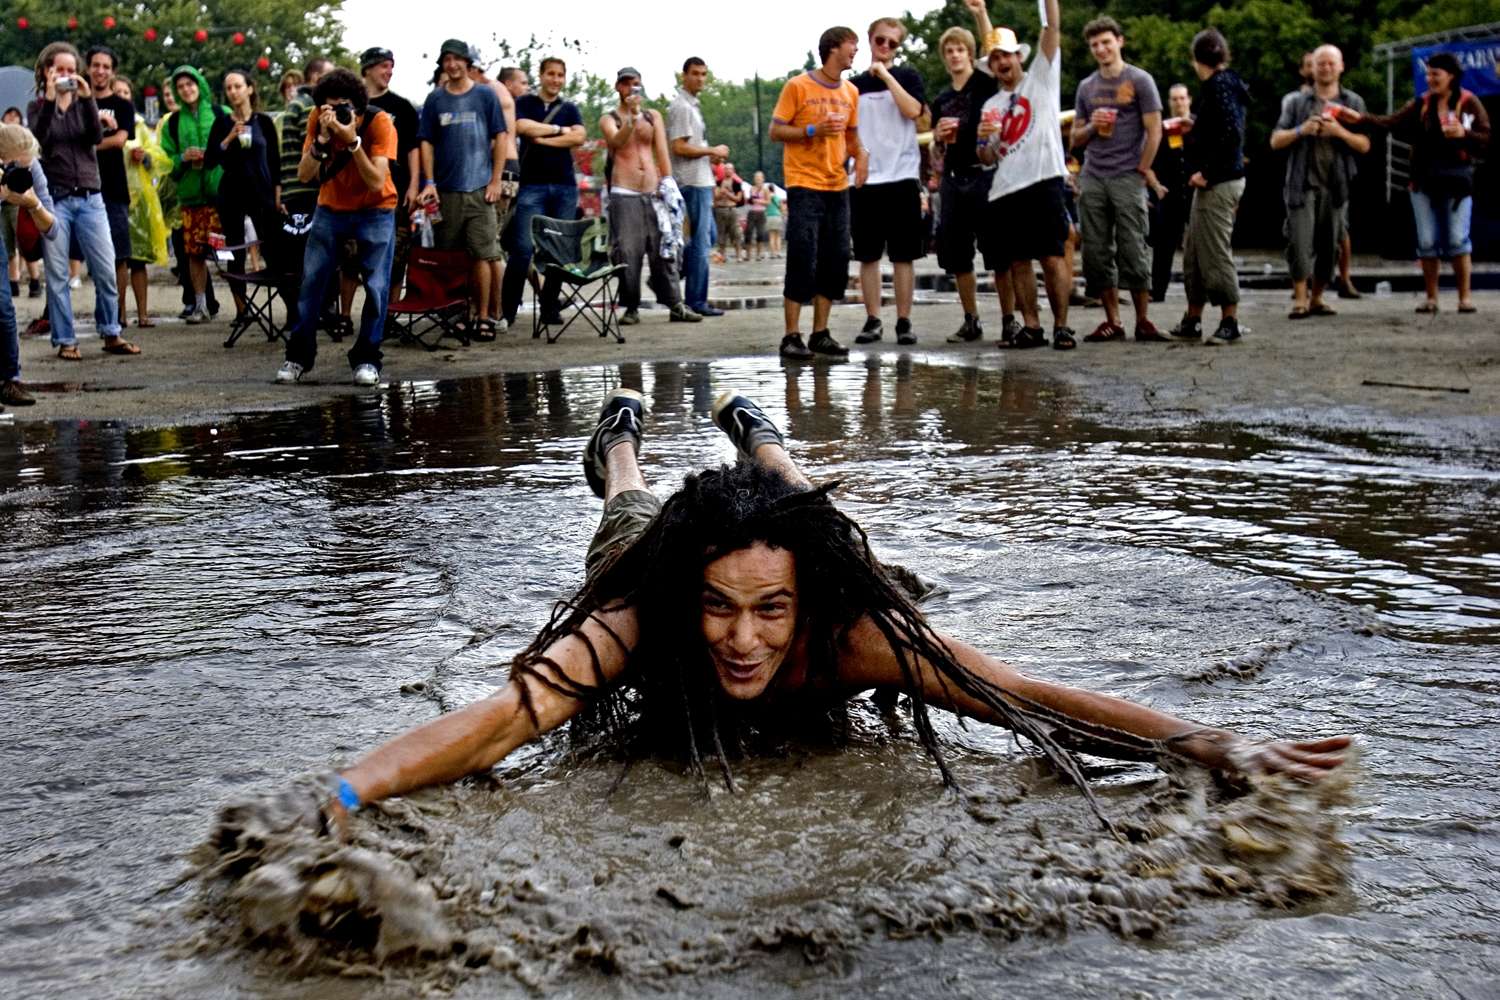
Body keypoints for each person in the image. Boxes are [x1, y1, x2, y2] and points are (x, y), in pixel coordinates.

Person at [308, 386, 1353, 840]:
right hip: (650, 545)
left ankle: (761, 435)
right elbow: (503, 719)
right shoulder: (645, 613)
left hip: (809, 545)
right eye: (721, 610)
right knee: (627, 504)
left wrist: (1210, 743)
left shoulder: (852, 628)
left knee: (825, 519)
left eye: (769, 611)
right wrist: (345, 797)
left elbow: (1018, 695)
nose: (744, 637)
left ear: (804, 610)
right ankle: (619, 431)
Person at [274, 69, 398, 388]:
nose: (337, 113)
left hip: (376, 208)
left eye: (344, 106)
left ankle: (368, 359)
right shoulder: (318, 118)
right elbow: (303, 175)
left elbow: (375, 181)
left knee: (377, 286)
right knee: (312, 281)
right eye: (329, 106)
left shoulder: (379, 122)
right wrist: (321, 140)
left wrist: (353, 141)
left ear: (358, 105)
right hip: (331, 207)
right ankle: (298, 356)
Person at [975, 0, 1076, 350]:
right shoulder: (990, 106)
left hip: (1044, 177)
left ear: (1019, 56)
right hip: (1005, 188)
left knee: (1051, 255)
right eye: (995, 58)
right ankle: (1031, 327)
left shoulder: (1042, 77)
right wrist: (988, 137)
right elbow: (986, 157)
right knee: (1018, 261)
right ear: (991, 66)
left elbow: (1051, 29)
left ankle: (1061, 325)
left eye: (1007, 55)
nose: (1002, 62)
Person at [27, 42, 138, 359]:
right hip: (55, 198)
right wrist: (51, 100)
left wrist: (87, 96)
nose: (65, 75)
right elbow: (40, 142)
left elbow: (93, 137)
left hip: (91, 196)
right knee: (58, 275)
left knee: (105, 268)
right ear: (47, 71)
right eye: (58, 69)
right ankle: (65, 339)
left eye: (70, 70)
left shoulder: (84, 104)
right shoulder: (37, 107)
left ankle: (111, 332)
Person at [1357, 51, 1490, 314]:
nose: (1430, 79)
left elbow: (1485, 138)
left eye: (1435, 74)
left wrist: (1464, 134)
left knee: (1458, 240)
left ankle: (1464, 298)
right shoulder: (1421, 104)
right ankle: (1432, 298)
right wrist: (1359, 118)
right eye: (1427, 73)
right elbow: (1390, 123)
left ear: (1451, 76)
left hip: (1457, 180)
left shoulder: (1469, 102)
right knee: (1427, 241)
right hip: (1423, 181)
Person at [769, 26, 869, 361]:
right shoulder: (798, 86)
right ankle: (790, 336)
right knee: (802, 256)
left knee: (836, 258)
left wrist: (862, 154)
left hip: (836, 184)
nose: (857, 50)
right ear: (833, 48)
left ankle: (820, 334)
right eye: (852, 44)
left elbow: (851, 137)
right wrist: (812, 129)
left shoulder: (851, 91)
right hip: (803, 183)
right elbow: (776, 130)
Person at [1071, 16, 1165, 343]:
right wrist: (1091, 127)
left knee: (1134, 247)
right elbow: (1074, 139)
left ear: (1119, 42)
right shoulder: (1087, 87)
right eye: (1095, 44)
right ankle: (1113, 320)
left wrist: (1143, 169)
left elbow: (1156, 131)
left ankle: (1143, 320)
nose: (1101, 49)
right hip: (1094, 175)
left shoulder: (1140, 80)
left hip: (1127, 173)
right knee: (1096, 252)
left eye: (1106, 42)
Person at [930, 0, 1018, 346]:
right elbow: (937, 155)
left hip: (985, 172)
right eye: (949, 51)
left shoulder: (983, 83)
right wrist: (937, 140)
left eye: (961, 49)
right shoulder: (940, 100)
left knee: (997, 253)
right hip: (953, 177)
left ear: (970, 54)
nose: (955, 55)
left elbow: (992, 46)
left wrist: (981, 14)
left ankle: (1009, 319)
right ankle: (971, 320)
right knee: (958, 254)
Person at [417, 39, 508, 340]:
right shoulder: (435, 100)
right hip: (445, 190)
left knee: (482, 255)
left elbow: (501, 136)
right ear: (442, 63)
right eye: (447, 59)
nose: (453, 64)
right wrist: (429, 182)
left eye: (458, 59)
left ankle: (483, 317)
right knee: (452, 258)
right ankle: (457, 315)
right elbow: (426, 141)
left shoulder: (485, 95)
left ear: (468, 63)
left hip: (481, 188)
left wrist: (495, 180)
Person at [1270, 45, 1369, 319]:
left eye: (1330, 64)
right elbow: (1275, 140)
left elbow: (1364, 145)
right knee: (1299, 243)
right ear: (1311, 68)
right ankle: (1300, 300)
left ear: (1341, 67)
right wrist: (1301, 130)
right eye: (1320, 64)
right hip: (1301, 183)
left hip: (1336, 184)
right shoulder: (1296, 103)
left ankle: (1317, 298)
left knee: (1329, 246)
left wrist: (1340, 132)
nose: (1325, 68)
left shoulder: (1353, 102)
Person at [1166, 30, 1249, 344]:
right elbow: (1224, 127)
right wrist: (1197, 125)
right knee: (1195, 253)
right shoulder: (1228, 84)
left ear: (1196, 59)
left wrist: (1208, 172)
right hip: (1221, 179)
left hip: (1221, 180)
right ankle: (1193, 318)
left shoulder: (1218, 86)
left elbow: (1230, 133)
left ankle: (1230, 322)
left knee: (1213, 252)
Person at [599, 67, 700, 326]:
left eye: (635, 84)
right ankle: (631, 306)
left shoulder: (653, 116)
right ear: (617, 87)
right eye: (625, 84)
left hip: (654, 192)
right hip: (624, 191)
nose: (631, 88)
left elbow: (662, 154)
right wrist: (631, 118)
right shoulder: (609, 118)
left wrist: (670, 188)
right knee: (628, 252)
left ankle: (675, 303)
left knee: (665, 248)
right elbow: (617, 143)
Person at [849, 17, 927, 347]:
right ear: (870, 40)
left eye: (892, 43)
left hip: (902, 174)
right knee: (867, 254)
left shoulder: (907, 76)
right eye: (880, 41)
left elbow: (913, 111)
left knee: (903, 255)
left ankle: (904, 320)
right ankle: (873, 318)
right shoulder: (852, 84)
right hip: (865, 177)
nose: (885, 48)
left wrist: (886, 76)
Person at [501, 58, 586, 328]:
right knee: (522, 250)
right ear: (541, 75)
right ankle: (508, 312)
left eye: (561, 75)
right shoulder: (525, 102)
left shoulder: (570, 108)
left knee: (557, 252)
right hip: (531, 186)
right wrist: (559, 131)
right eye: (551, 74)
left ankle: (550, 306)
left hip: (564, 186)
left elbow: (579, 137)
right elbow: (522, 126)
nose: (556, 80)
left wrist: (542, 138)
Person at [204, 68, 279, 323]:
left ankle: (291, 309)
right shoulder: (222, 123)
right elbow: (210, 160)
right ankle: (241, 310)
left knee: (273, 250)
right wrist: (228, 138)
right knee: (235, 252)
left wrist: (278, 195)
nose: (233, 92)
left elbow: (274, 162)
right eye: (228, 88)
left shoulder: (263, 122)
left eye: (238, 86)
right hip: (232, 194)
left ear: (249, 89)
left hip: (262, 193)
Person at [356, 48, 422, 330]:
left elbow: (413, 148)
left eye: (391, 66)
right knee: (350, 257)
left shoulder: (402, 106)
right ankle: (347, 316)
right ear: (368, 69)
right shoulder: (353, 105)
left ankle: (390, 316)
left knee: (397, 256)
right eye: (383, 66)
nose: (388, 71)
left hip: (395, 189)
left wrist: (416, 185)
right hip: (356, 190)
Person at [160, 65, 228, 326]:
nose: (186, 89)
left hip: (221, 195)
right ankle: (200, 305)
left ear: (200, 84)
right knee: (195, 253)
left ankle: (242, 308)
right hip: (190, 198)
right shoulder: (173, 123)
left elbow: (236, 148)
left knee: (230, 253)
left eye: (190, 84)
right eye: (180, 86)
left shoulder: (221, 114)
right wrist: (181, 158)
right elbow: (164, 162)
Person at [84, 47, 145, 332]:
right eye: (95, 65)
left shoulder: (122, 105)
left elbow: (120, 140)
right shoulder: (77, 103)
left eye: (106, 66)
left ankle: (117, 315)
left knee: (119, 255)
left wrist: (83, 145)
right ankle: (102, 314)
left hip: (113, 188)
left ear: (112, 71)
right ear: (87, 69)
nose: (100, 71)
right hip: (79, 187)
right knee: (85, 261)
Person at [667, 57, 730, 317]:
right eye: (695, 74)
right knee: (703, 243)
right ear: (684, 76)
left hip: (702, 178)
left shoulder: (693, 106)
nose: (700, 79)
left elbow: (688, 146)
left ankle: (668, 279)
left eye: (704, 74)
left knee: (708, 238)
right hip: (692, 180)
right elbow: (678, 146)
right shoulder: (681, 107)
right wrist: (709, 150)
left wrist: (709, 155)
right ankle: (696, 300)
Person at [0, 122, 56, 408]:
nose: (20, 171)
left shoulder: (30, 166)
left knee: (5, 310)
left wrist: (32, 203)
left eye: (25, 165)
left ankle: (10, 380)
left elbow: (53, 229)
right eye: (12, 165)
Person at [468, 53, 521, 332]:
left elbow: (493, 137)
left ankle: (495, 312)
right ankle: (486, 309)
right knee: (489, 244)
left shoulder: (489, 90)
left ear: (474, 70)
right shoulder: (497, 89)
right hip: (505, 170)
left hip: (501, 172)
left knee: (490, 246)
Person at [1150, 83, 1192, 303]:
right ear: (1170, 103)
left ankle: (1200, 292)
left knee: (1201, 245)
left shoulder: (1199, 125)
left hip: (1195, 192)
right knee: (1164, 245)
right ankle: (1157, 292)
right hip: (1170, 193)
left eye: (1182, 98)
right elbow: (1150, 161)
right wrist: (1155, 186)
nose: (1179, 103)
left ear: (1189, 100)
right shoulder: (1163, 128)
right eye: (1174, 99)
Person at [2, 107, 43, 300]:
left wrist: (32, 201)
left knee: (26, 243)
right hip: (4, 203)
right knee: (9, 247)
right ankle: (13, 283)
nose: (12, 118)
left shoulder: (27, 150)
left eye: (16, 116)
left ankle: (35, 280)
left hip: (19, 203)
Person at [713, 169, 742, 262]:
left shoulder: (736, 184)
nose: (728, 171)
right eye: (726, 169)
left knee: (735, 233)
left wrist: (728, 193)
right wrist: (722, 191)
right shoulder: (719, 183)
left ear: (733, 170)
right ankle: (722, 255)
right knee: (721, 233)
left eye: (730, 169)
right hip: (720, 209)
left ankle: (739, 255)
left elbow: (738, 199)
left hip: (732, 209)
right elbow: (715, 197)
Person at [745, 171, 771, 261]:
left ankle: (758, 254)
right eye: (756, 177)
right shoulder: (752, 188)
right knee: (748, 233)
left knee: (760, 233)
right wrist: (750, 200)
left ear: (763, 179)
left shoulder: (765, 189)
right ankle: (748, 254)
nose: (757, 179)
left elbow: (768, 202)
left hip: (761, 212)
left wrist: (758, 201)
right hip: (752, 211)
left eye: (759, 177)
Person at [765, 182, 784, 257]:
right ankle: (778, 252)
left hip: (769, 216)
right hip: (777, 216)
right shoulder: (779, 197)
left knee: (771, 236)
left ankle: (773, 253)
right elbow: (782, 208)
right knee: (778, 236)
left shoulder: (767, 197)